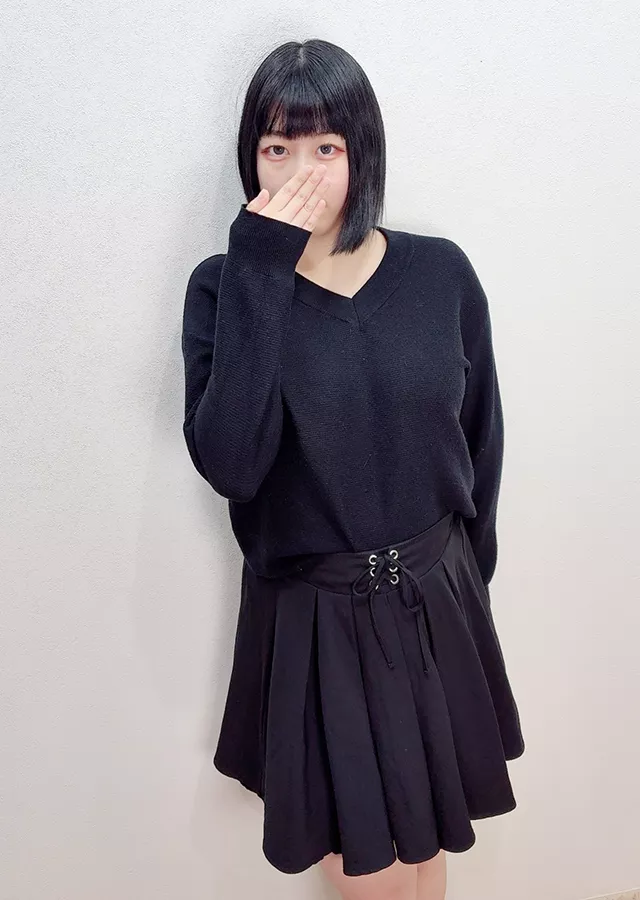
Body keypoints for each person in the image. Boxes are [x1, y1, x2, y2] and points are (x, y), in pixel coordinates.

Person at [180, 37, 525, 900]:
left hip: (436, 599)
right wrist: (261, 271)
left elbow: (481, 441)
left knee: (429, 849)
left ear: (362, 150)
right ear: (251, 159)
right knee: (366, 866)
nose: (302, 172)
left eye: (326, 147)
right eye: (278, 148)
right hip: (315, 618)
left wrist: (468, 584)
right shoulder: (223, 289)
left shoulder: (440, 272)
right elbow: (233, 464)